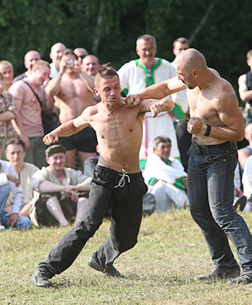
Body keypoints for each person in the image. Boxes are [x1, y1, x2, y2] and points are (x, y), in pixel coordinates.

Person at [126, 48, 252, 284]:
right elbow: (164, 88)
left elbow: (239, 132)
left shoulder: (221, 93)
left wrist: (206, 129)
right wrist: (138, 96)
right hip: (197, 154)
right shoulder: (191, 82)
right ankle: (225, 266)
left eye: (181, 75)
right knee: (199, 211)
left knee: (222, 212)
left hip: (220, 156)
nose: (178, 79)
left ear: (195, 73)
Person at [31, 64, 174, 287]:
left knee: (127, 238)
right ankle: (46, 269)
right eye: (107, 89)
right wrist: (56, 132)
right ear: (97, 92)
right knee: (88, 224)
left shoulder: (132, 106)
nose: (114, 93)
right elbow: (73, 125)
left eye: (116, 87)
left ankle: (101, 259)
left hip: (132, 179)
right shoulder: (93, 113)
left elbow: (167, 102)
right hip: (105, 176)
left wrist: (161, 105)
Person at [118, 34, 183, 168]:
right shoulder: (129, 68)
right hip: (140, 120)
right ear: (138, 51)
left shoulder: (166, 66)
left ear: (155, 48)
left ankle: (173, 184)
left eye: (150, 49)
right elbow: (116, 88)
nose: (148, 53)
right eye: (144, 49)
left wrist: (176, 110)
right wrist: (126, 106)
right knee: (141, 154)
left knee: (167, 152)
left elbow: (181, 86)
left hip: (163, 119)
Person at [46, 49, 98, 169]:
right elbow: (50, 92)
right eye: (65, 61)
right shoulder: (58, 80)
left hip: (86, 126)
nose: (69, 64)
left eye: (71, 61)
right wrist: (61, 72)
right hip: (66, 127)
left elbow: (95, 88)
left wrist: (80, 71)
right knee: (68, 166)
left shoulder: (85, 79)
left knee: (89, 165)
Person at [30, 144, 91, 227]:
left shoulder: (71, 172)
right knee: (48, 195)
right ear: (48, 160)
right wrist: (64, 188)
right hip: (46, 215)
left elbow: (91, 182)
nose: (58, 161)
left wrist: (75, 188)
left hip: (68, 211)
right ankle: (64, 224)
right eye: (55, 158)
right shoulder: (42, 173)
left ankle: (78, 223)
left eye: (61, 157)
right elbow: (41, 185)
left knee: (84, 193)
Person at [9, 60, 53, 168]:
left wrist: (48, 93)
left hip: (39, 134)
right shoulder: (19, 87)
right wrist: (22, 136)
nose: (46, 78)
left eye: (48, 75)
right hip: (26, 135)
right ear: (34, 70)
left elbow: (48, 110)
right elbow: (14, 113)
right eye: (44, 74)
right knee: (27, 168)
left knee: (40, 169)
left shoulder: (41, 88)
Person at [143, 136, 188, 212]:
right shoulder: (152, 161)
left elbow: (184, 177)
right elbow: (166, 174)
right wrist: (183, 180)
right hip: (154, 196)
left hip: (171, 197)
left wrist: (185, 181)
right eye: (163, 147)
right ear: (154, 150)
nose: (166, 150)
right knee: (162, 183)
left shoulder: (174, 162)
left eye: (168, 146)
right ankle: (186, 205)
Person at [4, 138, 39, 220]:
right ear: (6, 155)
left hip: (30, 208)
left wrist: (29, 207)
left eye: (19, 152)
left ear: (24, 154)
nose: (16, 156)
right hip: (8, 209)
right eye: (12, 153)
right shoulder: (2, 171)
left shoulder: (33, 170)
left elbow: (39, 193)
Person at [172, 37, 191, 171]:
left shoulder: (195, 68)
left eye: (186, 49)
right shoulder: (169, 68)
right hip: (175, 119)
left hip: (193, 118)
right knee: (180, 155)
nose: (183, 52)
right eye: (180, 49)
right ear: (174, 51)